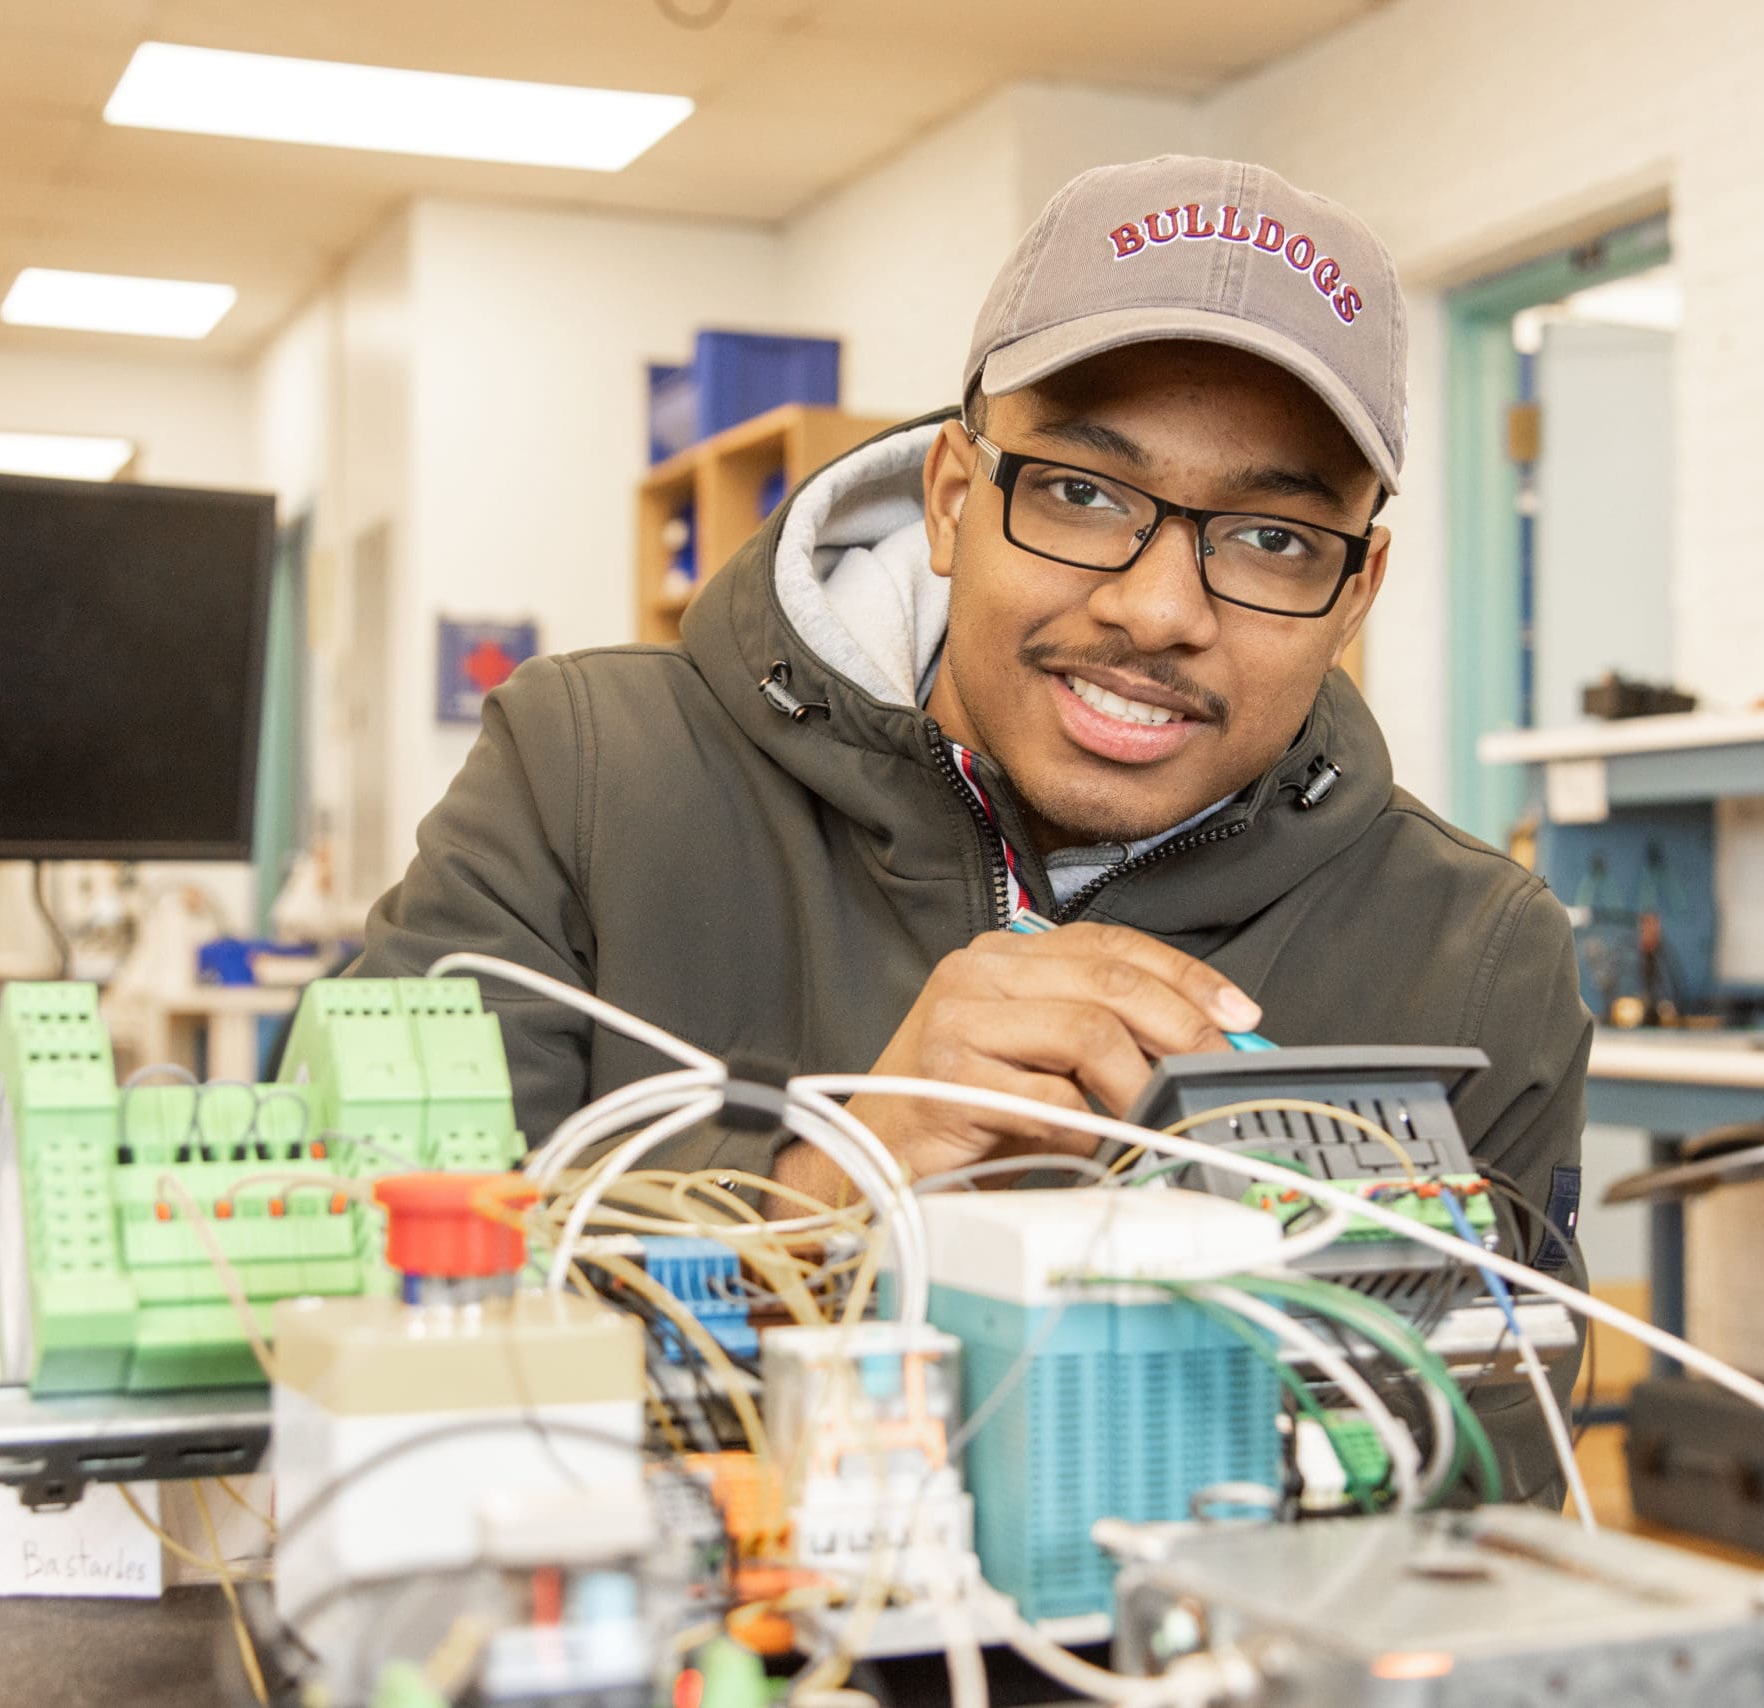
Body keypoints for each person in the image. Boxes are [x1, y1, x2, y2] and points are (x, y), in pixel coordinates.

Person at [354, 155, 1592, 1499]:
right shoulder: (587, 774)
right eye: (1085, 493)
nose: (1160, 609)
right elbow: (333, 1297)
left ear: (1358, 594)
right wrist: (818, 1192)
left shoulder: (1473, 952)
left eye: (1275, 540)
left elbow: (1490, 1479)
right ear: (953, 498)